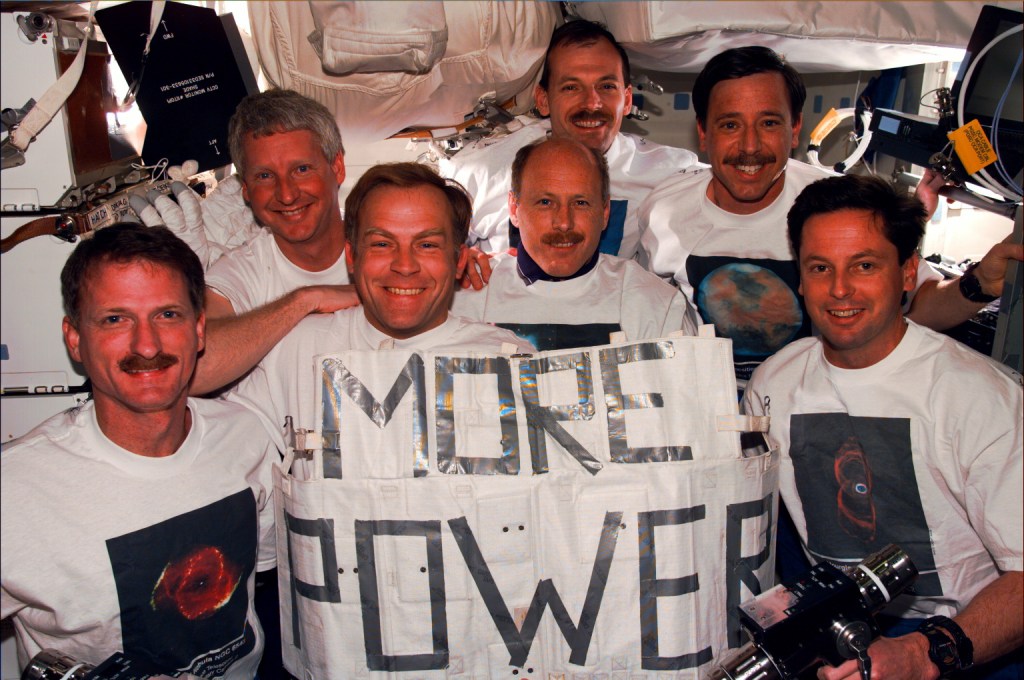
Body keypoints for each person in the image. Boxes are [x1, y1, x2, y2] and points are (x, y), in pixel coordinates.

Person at [743, 175, 1022, 680]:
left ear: (908, 272)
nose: (840, 289)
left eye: (864, 265)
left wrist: (924, 653)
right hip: (847, 636)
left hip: (969, 641)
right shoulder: (773, 383)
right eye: (820, 268)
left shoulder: (978, 397)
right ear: (800, 278)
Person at [639, 46, 1023, 385]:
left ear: (795, 129)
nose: (750, 146)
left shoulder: (841, 207)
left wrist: (981, 285)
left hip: (817, 403)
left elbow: (919, 308)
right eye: (730, 125)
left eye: (769, 123)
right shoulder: (664, 210)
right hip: (706, 406)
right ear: (703, 133)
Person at [0, 224, 276, 675]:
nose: (146, 345)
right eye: (115, 319)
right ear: (74, 339)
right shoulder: (17, 488)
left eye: (168, 315)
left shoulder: (246, 436)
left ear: (199, 329)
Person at [226, 163, 534, 464]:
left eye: (426, 245)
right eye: (382, 244)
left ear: (458, 261)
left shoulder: (512, 361)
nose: (404, 265)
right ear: (351, 257)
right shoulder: (290, 353)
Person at [439, 19, 699, 258]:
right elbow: (431, 253)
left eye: (606, 86)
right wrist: (461, 265)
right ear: (543, 99)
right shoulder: (478, 173)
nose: (592, 103)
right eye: (571, 87)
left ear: (627, 99)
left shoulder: (671, 175)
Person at [452, 137, 697, 351]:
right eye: (545, 202)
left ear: (604, 212)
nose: (564, 223)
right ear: (514, 208)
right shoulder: (462, 295)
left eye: (580, 203)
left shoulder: (656, 305)